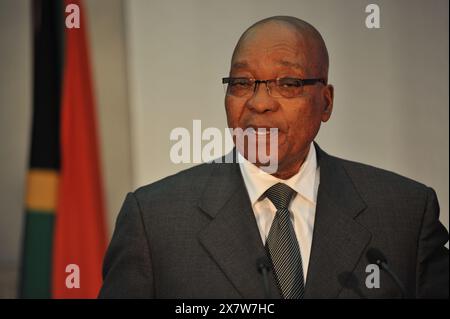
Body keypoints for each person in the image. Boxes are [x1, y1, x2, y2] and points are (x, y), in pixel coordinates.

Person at [99, 16, 448, 299]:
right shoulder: (156, 221)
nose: (259, 102)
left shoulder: (404, 214)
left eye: (287, 83)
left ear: (325, 102)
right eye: (241, 82)